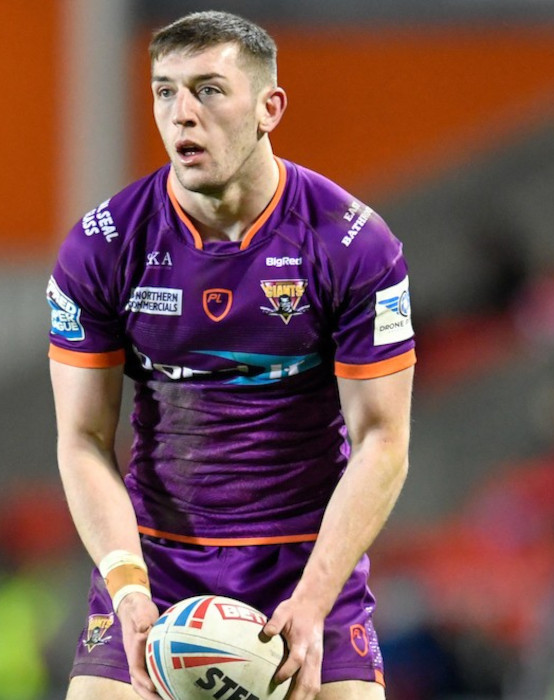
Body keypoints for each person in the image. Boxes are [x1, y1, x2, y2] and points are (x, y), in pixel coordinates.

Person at [47, 10, 415, 700]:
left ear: (269, 108)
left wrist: (315, 599)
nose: (181, 114)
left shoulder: (352, 246)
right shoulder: (102, 247)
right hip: (155, 563)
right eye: (164, 91)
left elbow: (383, 440)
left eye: (209, 90)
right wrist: (127, 587)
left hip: (302, 565)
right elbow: (82, 439)